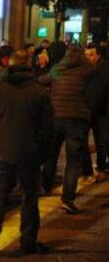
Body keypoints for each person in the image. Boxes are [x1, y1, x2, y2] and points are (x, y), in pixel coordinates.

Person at [0, 50, 54, 254]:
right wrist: (44, 153)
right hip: (29, 152)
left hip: (2, 150)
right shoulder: (40, 92)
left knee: (0, 190)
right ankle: (28, 241)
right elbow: (48, 128)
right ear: (29, 65)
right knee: (29, 196)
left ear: (9, 65)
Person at [39, 47, 94, 214]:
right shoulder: (88, 70)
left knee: (51, 153)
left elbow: (42, 79)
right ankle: (67, 198)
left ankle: (46, 186)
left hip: (56, 116)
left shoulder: (58, 69)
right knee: (73, 160)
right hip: (76, 118)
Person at [82, 44, 109, 181]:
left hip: (101, 111)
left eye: (91, 55)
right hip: (86, 110)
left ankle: (101, 167)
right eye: (86, 55)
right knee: (83, 141)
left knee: (101, 141)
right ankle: (87, 170)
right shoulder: (84, 68)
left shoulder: (105, 68)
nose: (88, 58)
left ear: (98, 55)